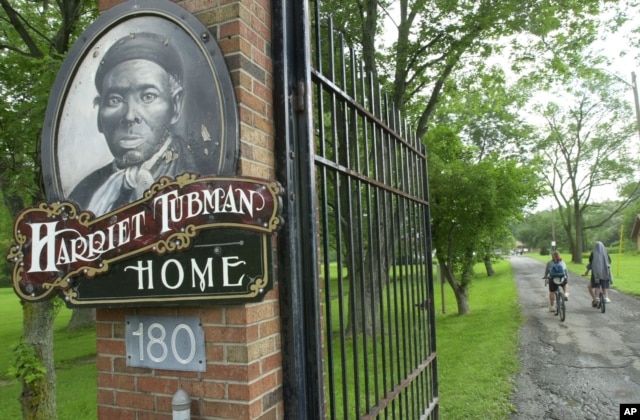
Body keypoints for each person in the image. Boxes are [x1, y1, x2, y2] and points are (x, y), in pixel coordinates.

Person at [69, 32, 197, 215]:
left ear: (175, 106)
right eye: (115, 100)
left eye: (148, 97)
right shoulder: (83, 192)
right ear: (99, 115)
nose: (129, 116)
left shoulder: (196, 175)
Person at [587, 241, 612, 305]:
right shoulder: (605, 253)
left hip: (595, 273)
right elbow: (609, 261)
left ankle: (597, 297)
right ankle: (606, 297)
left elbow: (590, 263)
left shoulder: (593, 254)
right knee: (605, 286)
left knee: (597, 286)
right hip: (605, 272)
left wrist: (587, 271)